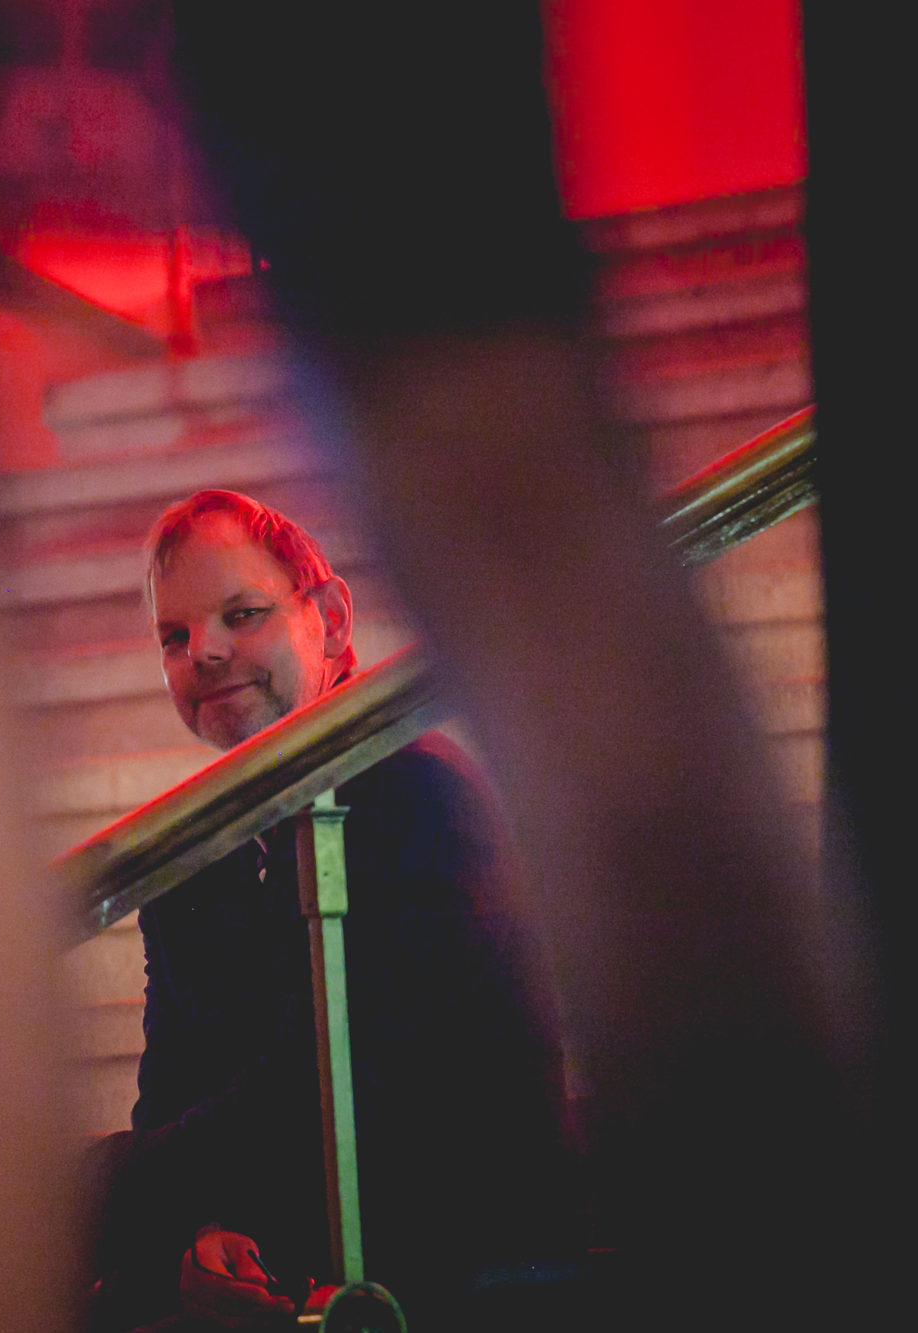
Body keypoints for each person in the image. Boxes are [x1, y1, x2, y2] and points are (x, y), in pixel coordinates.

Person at [90, 490, 575, 1331]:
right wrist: (199, 1235)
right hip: (290, 1266)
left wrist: (100, 1187)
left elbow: (353, 1089)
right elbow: (170, 1098)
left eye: (242, 614)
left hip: (456, 1278)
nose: (204, 651)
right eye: (174, 636)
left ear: (333, 619)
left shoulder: (417, 790)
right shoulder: (190, 856)